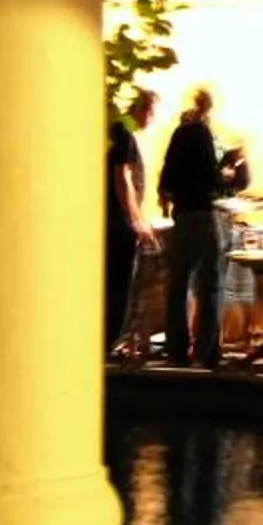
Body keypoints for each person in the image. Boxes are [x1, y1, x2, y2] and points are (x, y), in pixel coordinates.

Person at [156, 86, 228, 367]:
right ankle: (205, 351)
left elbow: (166, 179)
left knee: (178, 285)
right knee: (210, 285)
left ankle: (177, 350)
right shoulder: (202, 134)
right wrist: (226, 172)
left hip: (182, 216)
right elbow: (212, 178)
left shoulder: (178, 135)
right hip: (204, 215)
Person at [104, 88, 159, 360]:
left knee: (114, 281)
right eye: (151, 111)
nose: (152, 118)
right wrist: (137, 220)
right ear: (140, 109)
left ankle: (110, 340)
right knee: (120, 284)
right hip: (120, 222)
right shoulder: (124, 135)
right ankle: (111, 341)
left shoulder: (117, 133)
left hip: (114, 219)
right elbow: (122, 178)